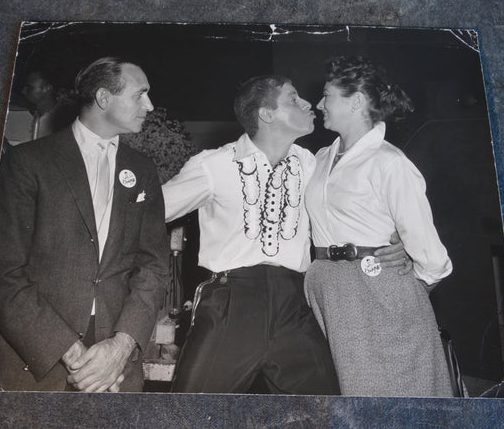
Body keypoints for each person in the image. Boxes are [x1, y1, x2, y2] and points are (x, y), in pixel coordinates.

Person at [163, 75, 408, 394]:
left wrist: (397, 243)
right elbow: (148, 210)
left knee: (326, 412)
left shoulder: (314, 165)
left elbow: (356, 212)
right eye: (293, 99)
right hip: (230, 302)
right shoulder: (214, 165)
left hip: (294, 301)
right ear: (266, 114)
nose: (309, 104)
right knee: (186, 413)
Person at [0, 57, 170, 392]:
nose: (150, 106)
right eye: (140, 95)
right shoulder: (26, 163)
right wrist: (71, 352)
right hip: (33, 360)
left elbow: (153, 266)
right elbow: (1, 272)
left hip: (116, 366)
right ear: (103, 98)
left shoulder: (142, 170)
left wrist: (120, 347)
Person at [304, 55, 454, 397]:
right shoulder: (319, 159)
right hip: (326, 289)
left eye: (327, 95)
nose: (318, 103)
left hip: (377, 290)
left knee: (393, 400)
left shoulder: (390, 163)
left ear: (355, 101)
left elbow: (432, 258)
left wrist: (396, 289)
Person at [4, 68, 77, 145]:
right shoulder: (36, 114)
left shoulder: (52, 124)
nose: (23, 91)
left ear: (47, 88)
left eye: (29, 88)